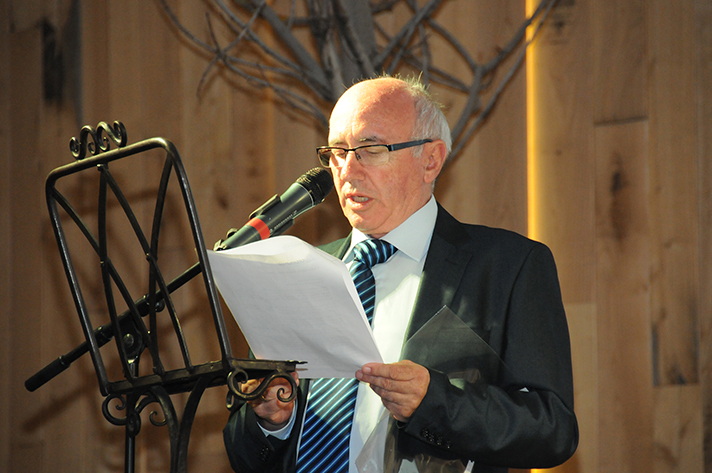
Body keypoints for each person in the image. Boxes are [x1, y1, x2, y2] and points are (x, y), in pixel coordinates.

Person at [223, 76, 578, 472]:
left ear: (431, 160)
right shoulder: (297, 271)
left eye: (371, 150)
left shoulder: (506, 266)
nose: (347, 170)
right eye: (337, 152)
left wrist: (433, 402)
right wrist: (272, 420)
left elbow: (552, 429)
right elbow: (242, 453)